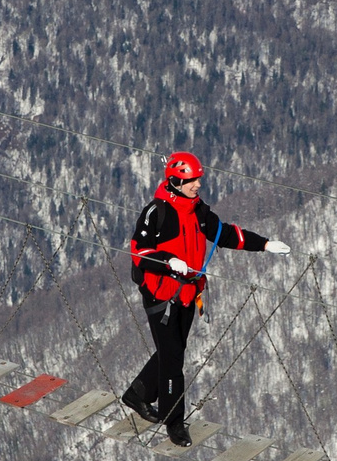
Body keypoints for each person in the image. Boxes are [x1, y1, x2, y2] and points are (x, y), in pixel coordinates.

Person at [121, 150, 290, 444]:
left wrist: (264, 245)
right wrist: (167, 260)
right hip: (161, 294)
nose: (197, 185)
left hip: (187, 293)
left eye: (198, 179)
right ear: (174, 181)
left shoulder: (199, 211)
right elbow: (139, 252)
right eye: (191, 181)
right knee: (173, 359)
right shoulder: (156, 212)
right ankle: (174, 422)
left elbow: (226, 235)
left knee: (173, 350)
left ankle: (138, 393)